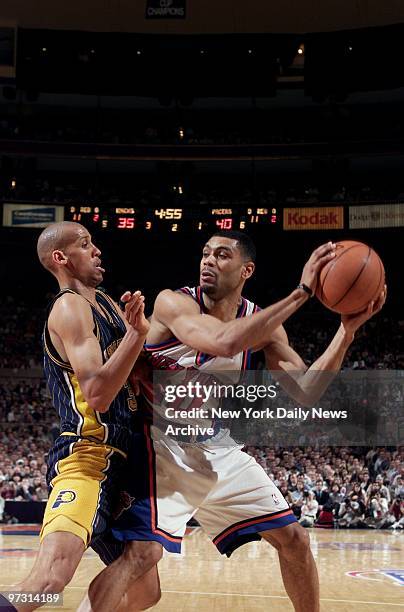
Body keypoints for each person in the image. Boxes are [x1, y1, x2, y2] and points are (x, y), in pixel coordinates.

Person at [83, 230, 385, 612]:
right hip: (161, 447)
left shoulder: (263, 326)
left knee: (294, 539)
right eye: (205, 253)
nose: (208, 261)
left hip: (215, 448)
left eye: (222, 255)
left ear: (246, 270)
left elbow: (306, 391)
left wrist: (346, 332)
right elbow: (224, 341)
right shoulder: (174, 303)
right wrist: (302, 292)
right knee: (142, 556)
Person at [5, 222, 160, 612]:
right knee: (47, 580)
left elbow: (131, 374)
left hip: (125, 462)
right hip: (88, 457)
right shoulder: (70, 307)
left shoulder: (106, 303)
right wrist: (136, 336)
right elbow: (98, 394)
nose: (97, 251)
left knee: (144, 590)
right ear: (61, 258)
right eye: (86, 244)